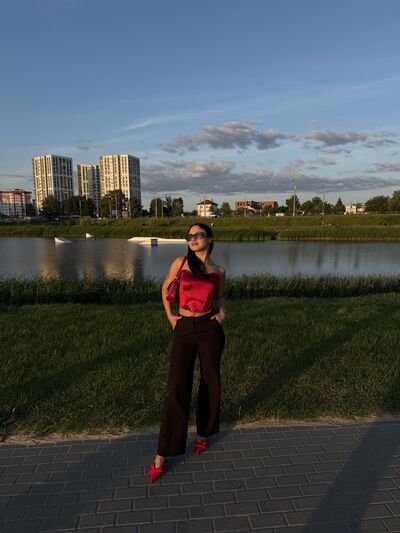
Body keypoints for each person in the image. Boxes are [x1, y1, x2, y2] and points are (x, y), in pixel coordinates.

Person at [149, 223, 226, 482]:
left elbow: (219, 298)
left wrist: (221, 315)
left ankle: (203, 434)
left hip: (209, 329)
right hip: (183, 327)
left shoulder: (218, 270)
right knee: (177, 388)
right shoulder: (180, 263)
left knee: (210, 382)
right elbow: (165, 289)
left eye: (198, 235)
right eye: (189, 236)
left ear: (210, 239)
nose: (192, 239)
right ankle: (162, 454)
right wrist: (171, 317)